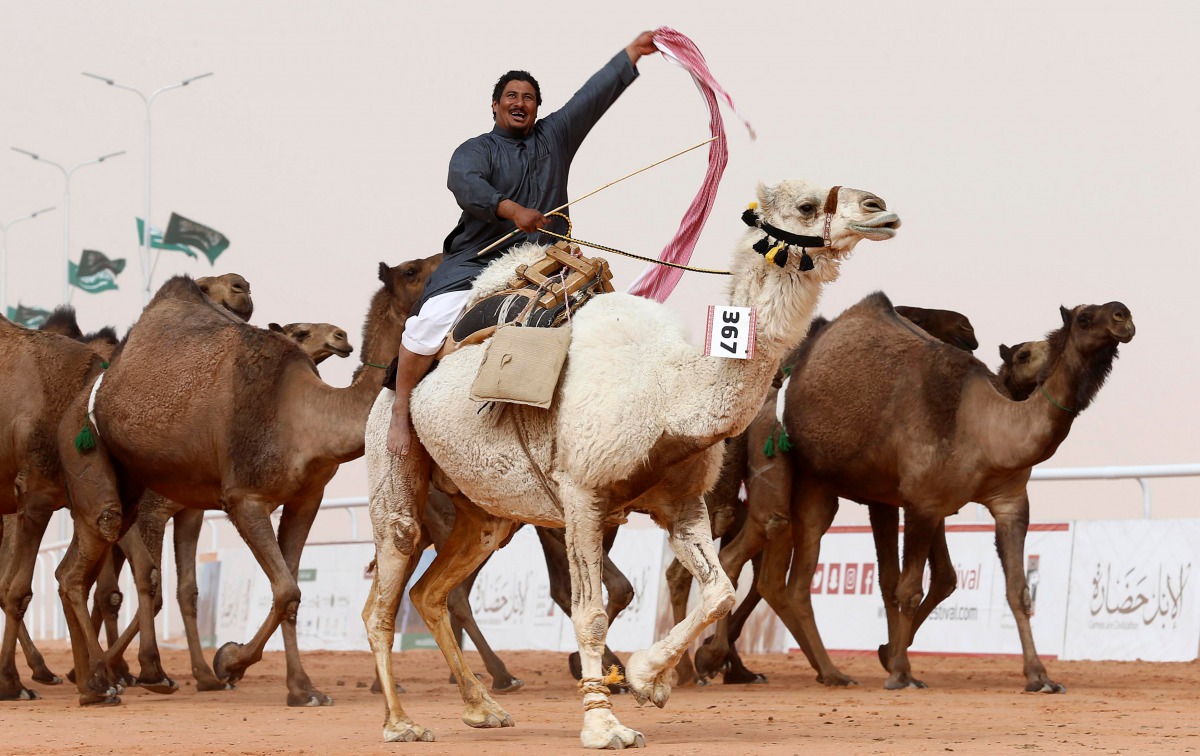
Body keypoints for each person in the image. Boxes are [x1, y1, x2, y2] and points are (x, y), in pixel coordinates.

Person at [387, 31, 659, 457]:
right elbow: (465, 183)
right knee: (428, 325)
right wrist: (513, 211)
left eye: (529, 96)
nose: (520, 102)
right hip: (479, 260)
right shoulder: (475, 150)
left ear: (537, 107)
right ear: (495, 105)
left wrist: (632, 54)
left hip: (549, 259)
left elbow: (591, 98)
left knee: (609, 320)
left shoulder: (556, 137)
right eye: (511, 96)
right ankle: (401, 411)